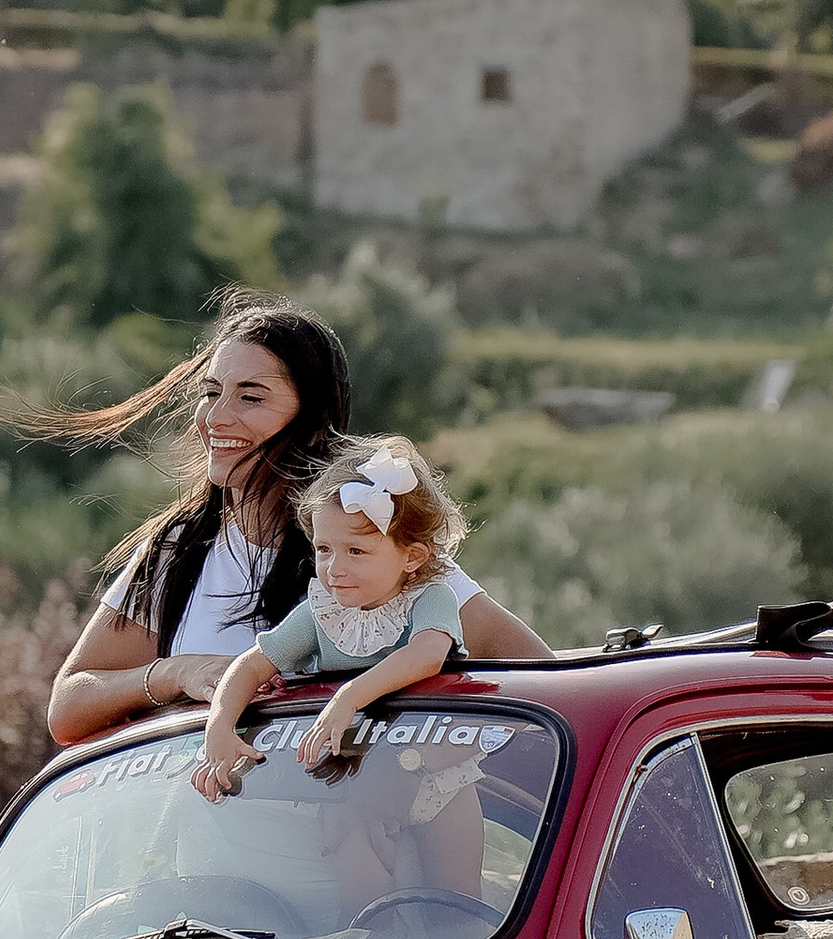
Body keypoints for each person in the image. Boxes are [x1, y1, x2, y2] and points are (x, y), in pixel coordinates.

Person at [31, 297, 547, 747]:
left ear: (313, 418)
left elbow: (543, 680)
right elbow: (68, 709)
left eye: (251, 397)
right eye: (212, 392)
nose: (216, 417)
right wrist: (176, 673)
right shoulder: (177, 551)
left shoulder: (375, 544)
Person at [191, 440, 472, 795]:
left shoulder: (430, 598)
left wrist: (348, 697)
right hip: (352, 778)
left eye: (356, 551)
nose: (334, 568)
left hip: (433, 769)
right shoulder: (322, 614)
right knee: (350, 839)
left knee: (452, 849)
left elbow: (427, 655)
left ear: (412, 557)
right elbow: (251, 666)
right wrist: (219, 727)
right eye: (324, 549)